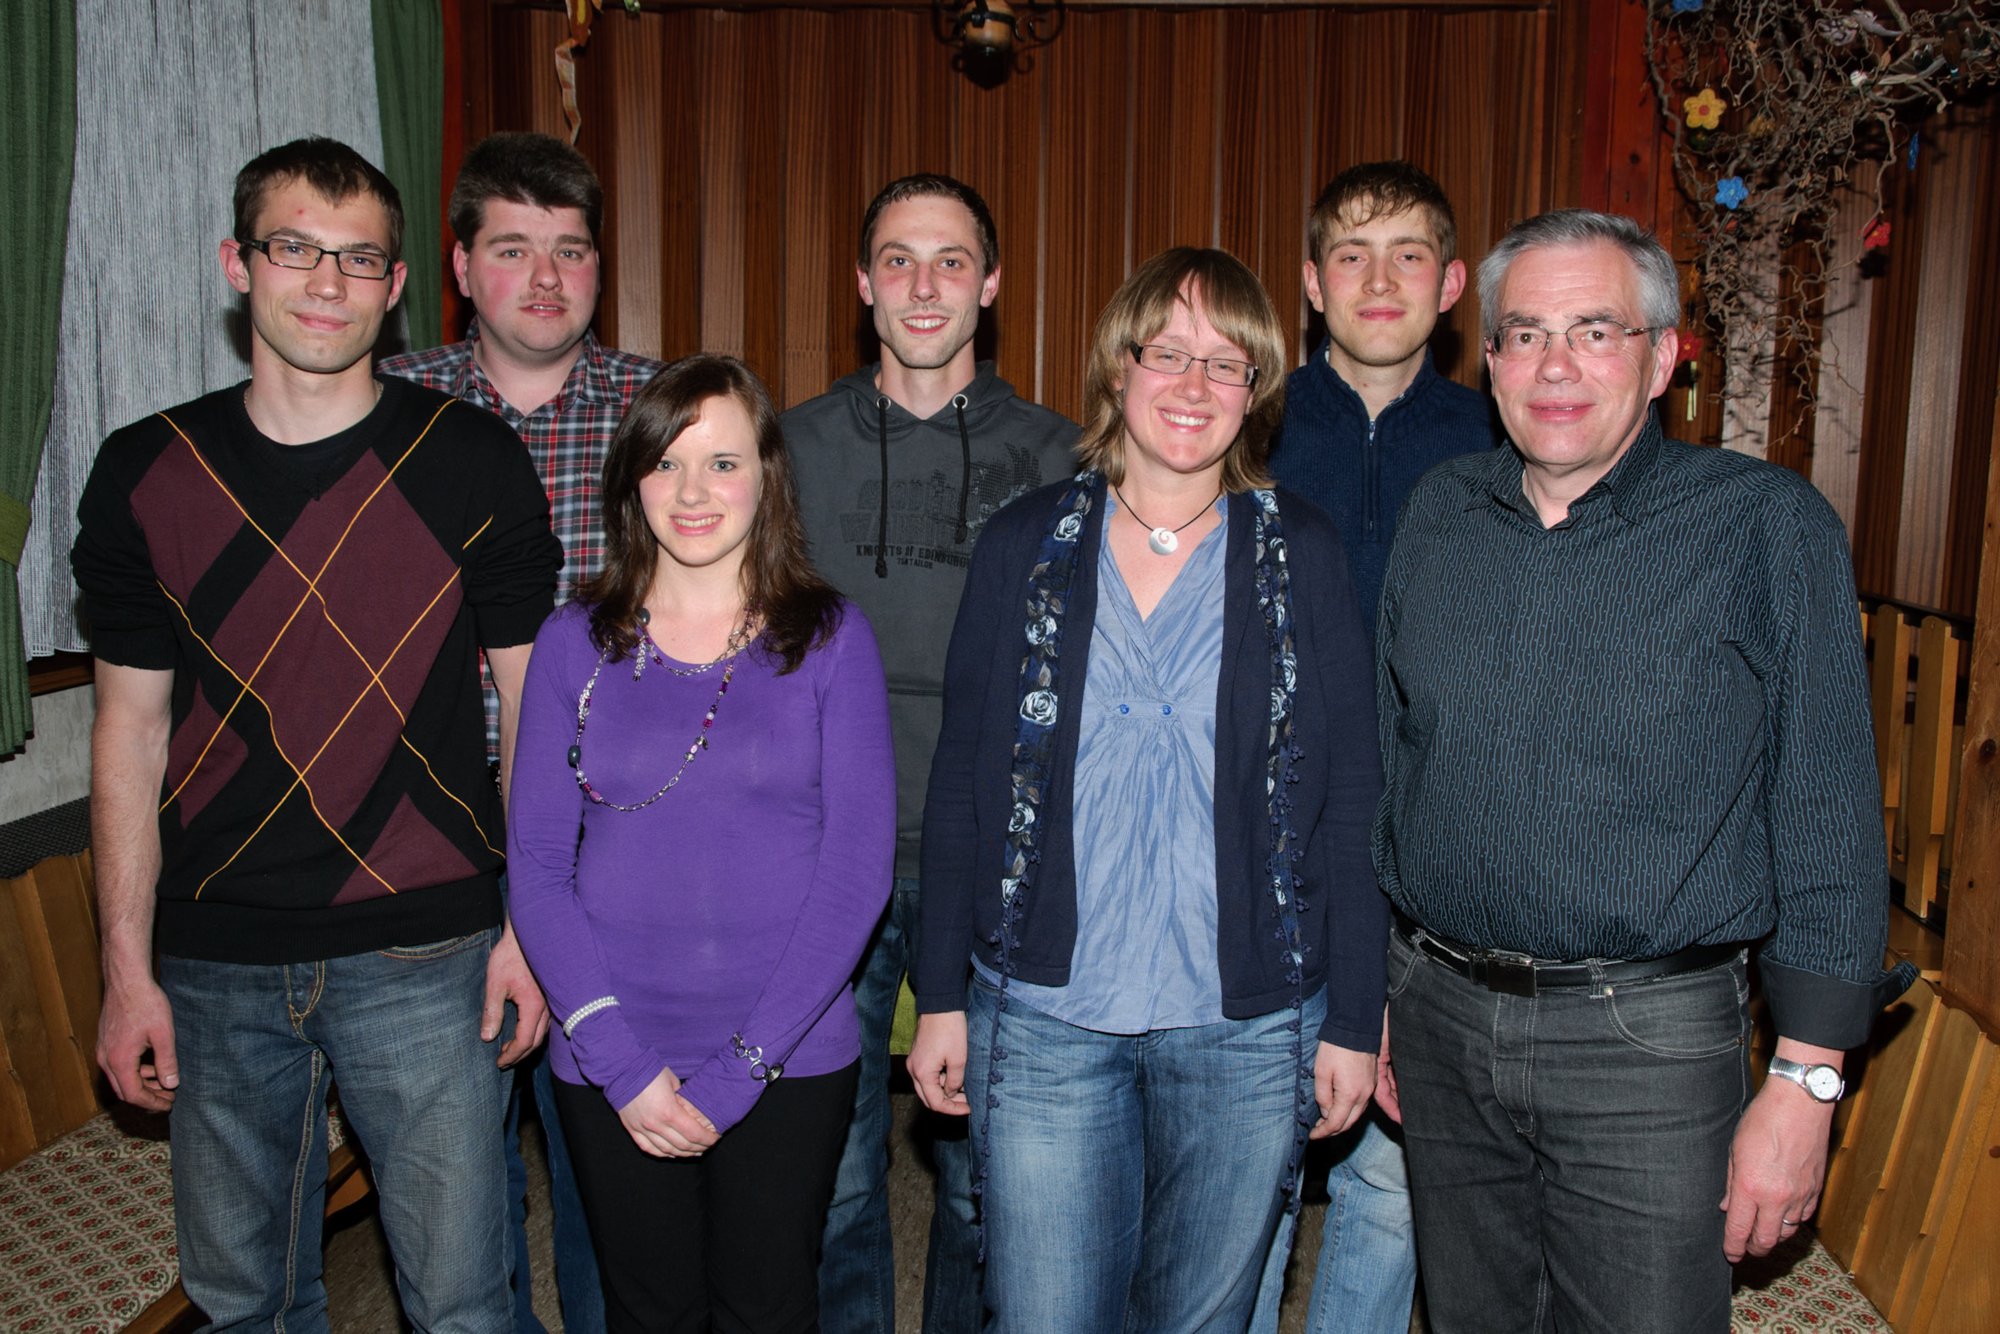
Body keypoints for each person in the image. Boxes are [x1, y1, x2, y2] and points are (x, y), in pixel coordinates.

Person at [1373, 208, 1912, 1332]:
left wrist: (1805, 1081)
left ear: (1661, 356)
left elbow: (1824, 811)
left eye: (1593, 330)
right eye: (1522, 333)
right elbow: (1393, 768)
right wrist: (1374, 993)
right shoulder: (1438, 514)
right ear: (1489, 359)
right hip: (1436, 1014)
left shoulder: (1760, 526)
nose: (1553, 365)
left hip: (1646, 1046)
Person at [74, 136, 561, 1331]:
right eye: (296, 248)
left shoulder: (471, 460)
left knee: (461, 1300)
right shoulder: (145, 471)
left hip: (428, 948)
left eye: (358, 258)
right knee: (245, 1301)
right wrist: (125, 968)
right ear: (237, 263)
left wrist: (531, 930)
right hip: (214, 953)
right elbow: (129, 736)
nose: (327, 282)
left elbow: (539, 705)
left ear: (398, 286)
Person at [908, 247, 1386, 1332]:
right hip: (1042, 1013)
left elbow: (1354, 793)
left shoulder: (1299, 552)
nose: (1192, 384)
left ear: (1256, 393)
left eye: (1227, 364)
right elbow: (962, 784)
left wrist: (1352, 1015)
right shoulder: (1025, 545)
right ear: (1114, 369)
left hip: (1246, 1020)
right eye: (1165, 353)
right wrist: (941, 993)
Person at [507, 354, 895, 1331]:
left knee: (768, 1307)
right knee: (648, 1311)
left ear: (766, 476)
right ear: (631, 477)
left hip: (787, 1055)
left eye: (722, 463)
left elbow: (855, 877)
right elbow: (540, 871)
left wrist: (737, 1073)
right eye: (667, 461)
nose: (692, 491)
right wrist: (620, 1063)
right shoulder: (573, 641)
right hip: (608, 1054)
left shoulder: (829, 636)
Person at [784, 172, 1077, 1334]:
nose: (923, 284)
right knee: (836, 1177)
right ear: (861, 285)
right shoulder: (786, 448)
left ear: (990, 284)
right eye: (897, 259)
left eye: (950, 260)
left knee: (983, 1187)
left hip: (994, 864)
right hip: (825, 860)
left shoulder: (1062, 458)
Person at [383, 129, 662, 1334]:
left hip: (617, 837)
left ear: (600, 266)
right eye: (513, 250)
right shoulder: (391, 411)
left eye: (571, 251)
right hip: (428, 832)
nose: (546, 279)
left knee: (610, 1154)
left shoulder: (664, 410)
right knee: (456, 1168)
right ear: (459, 264)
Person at [1251, 160, 1498, 1334]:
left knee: (1393, 1178)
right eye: (1350, 253)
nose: (1379, 277)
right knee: (1247, 1165)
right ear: (1310, 283)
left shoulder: (1499, 441)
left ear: (1450, 283)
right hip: (1261, 849)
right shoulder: (1241, 422)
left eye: (1408, 254)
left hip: (1429, 854)